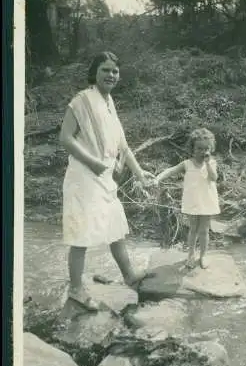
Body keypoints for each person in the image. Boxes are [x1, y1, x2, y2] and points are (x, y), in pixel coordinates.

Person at [59, 52, 155, 311]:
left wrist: (139, 173)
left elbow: (122, 144)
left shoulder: (109, 102)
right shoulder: (82, 100)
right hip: (84, 176)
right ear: (95, 72)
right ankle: (76, 289)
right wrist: (92, 161)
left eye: (115, 70)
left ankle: (129, 275)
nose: (111, 74)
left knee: (115, 226)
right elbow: (65, 138)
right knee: (81, 234)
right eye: (105, 70)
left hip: (104, 178)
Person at [156, 127, 220, 269]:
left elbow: (214, 177)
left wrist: (208, 163)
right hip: (192, 201)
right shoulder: (187, 163)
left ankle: (203, 255)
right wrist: (158, 178)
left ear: (211, 149)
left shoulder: (212, 163)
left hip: (207, 201)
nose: (202, 152)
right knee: (193, 229)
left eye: (206, 149)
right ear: (192, 148)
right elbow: (171, 170)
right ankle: (191, 254)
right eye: (199, 148)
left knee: (204, 230)